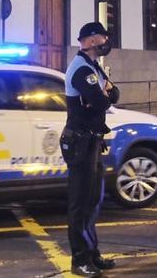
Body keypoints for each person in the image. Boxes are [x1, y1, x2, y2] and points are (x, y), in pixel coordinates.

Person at [61, 22, 120, 276]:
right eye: (103, 37)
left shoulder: (93, 67)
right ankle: (79, 260)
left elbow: (113, 94)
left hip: (93, 141)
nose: (106, 41)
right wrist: (104, 95)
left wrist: (105, 94)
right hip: (80, 143)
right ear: (92, 40)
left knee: (93, 201)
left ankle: (92, 255)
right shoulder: (81, 69)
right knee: (80, 203)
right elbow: (101, 101)